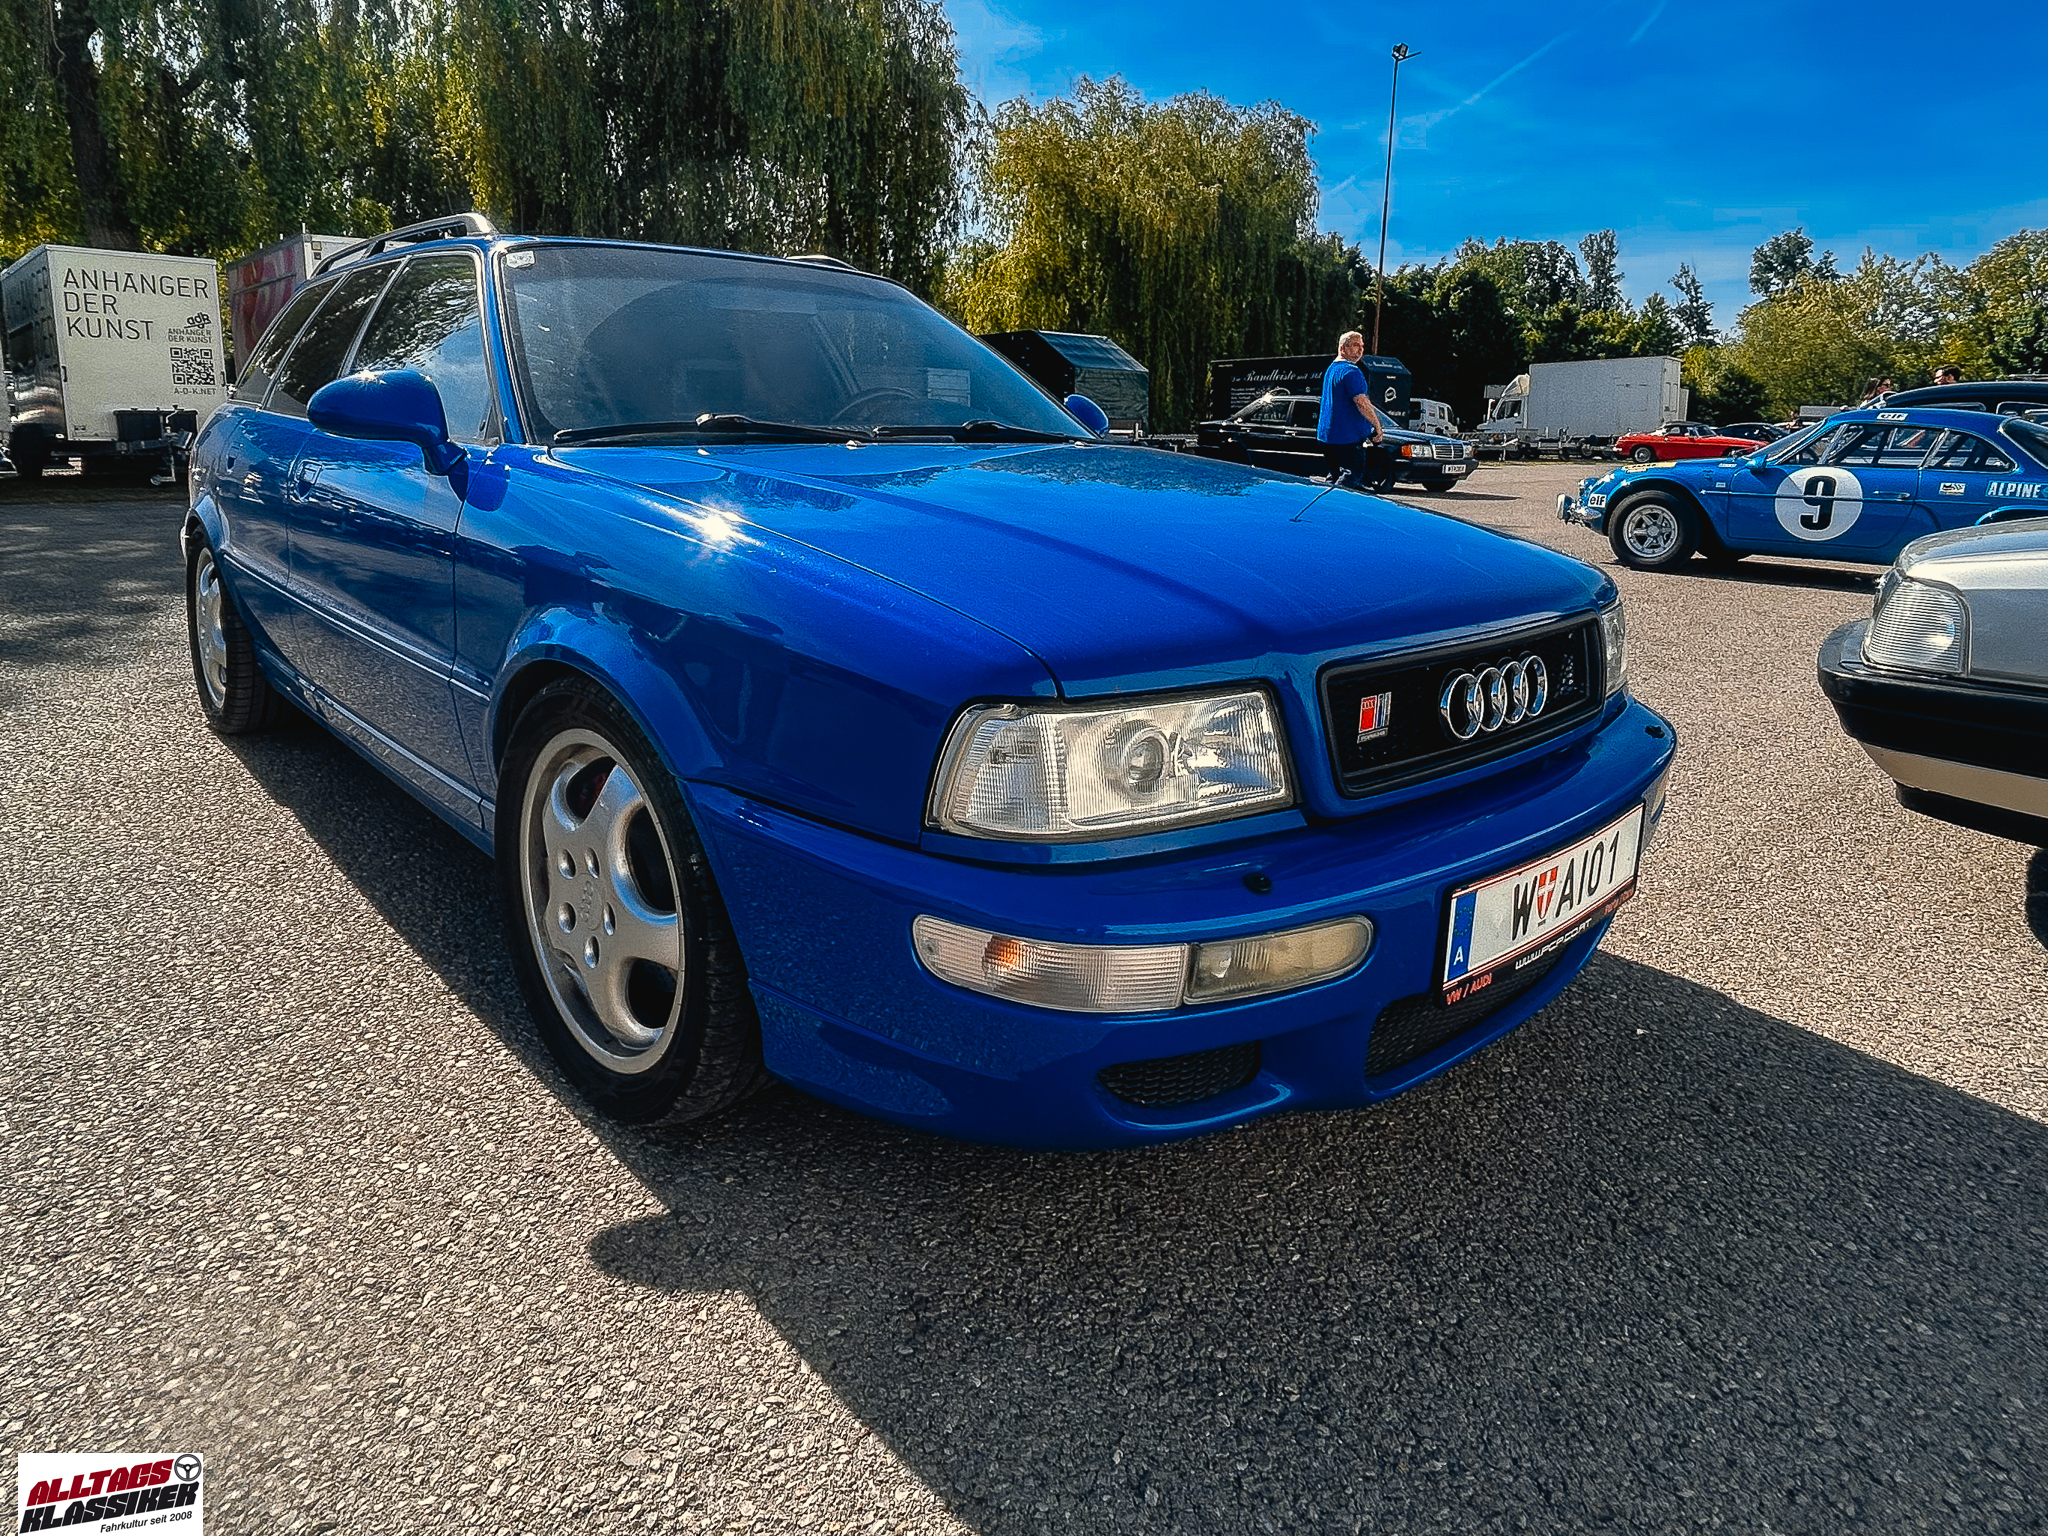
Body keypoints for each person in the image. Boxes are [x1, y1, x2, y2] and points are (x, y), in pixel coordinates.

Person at [1317, 330, 1389, 490]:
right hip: (1347, 437)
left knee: (1335, 476)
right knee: (1351, 478)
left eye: (1362, 346)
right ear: (1343, 348)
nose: (1360, 350)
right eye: (1355, 345)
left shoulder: (1332, 369)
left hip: (1327, 436)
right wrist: (1377, 426)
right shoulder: (1351, 371)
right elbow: (1362, 402)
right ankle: (1338, 503)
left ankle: (1325, 502)